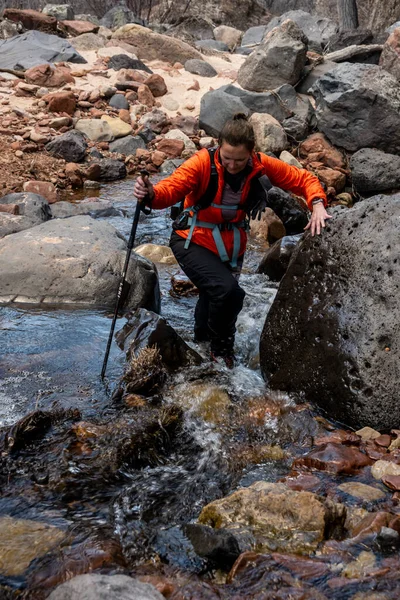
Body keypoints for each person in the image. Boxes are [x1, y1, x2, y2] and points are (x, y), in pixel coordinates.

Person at [134, 113, 331, 368]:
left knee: (213, 295)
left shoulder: (261, 165)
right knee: (229, 293)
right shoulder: (201, 163)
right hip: (191, 240)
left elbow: (303, 179)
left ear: (251, 152)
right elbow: (169, 190)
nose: (233, 165)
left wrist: (316, 203)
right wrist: (149, 193)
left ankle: (201, 348)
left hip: (230, 247)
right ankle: (222, 354)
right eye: (227, 158)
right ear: (219, 146)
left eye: (240, 160)